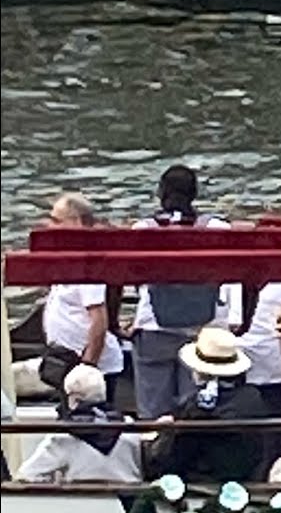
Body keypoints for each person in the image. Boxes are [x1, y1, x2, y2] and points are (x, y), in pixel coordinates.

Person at [130, 165, 238, 420]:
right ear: (194, 194)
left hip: (154, 328)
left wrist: (117, 325)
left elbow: (129, 279)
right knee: (194, 411)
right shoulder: (217, 229)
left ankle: (154, 452)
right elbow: (238, 275)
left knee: (152, 413)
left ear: (160, 193)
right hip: (203, 332)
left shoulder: (143, 230)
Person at [145, 327, 272, 482]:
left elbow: (174, 459)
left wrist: (167, 434)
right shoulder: (253, 397)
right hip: (249, 477)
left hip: (204, 481)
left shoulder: (199, 408)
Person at [41, 194, 125, 404]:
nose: (50, 226)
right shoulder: (69, 256)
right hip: (67, 358)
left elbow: (99, 320)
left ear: (76, 223)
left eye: (57, 221)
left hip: (88, 366)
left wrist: (87, 367)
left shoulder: (87, 265)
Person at [16, 365, 143, 482]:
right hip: (129, 500)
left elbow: (27, 475)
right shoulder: (130, 426)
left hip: (82, 501)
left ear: (73, 398)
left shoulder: (64, 435)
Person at [229, 280, 281, 473]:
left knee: (272, 427)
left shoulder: (276, 288)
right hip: (275, 362)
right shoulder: (280, 288)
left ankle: (270, 471)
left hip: (267, 363)